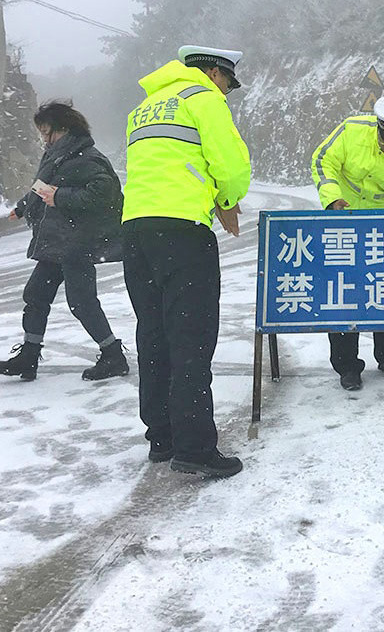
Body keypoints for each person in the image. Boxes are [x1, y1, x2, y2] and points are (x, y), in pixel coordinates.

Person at [121, 45, 251, 479]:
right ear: (215, 73)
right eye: (228, 84)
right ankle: (194, 448)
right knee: (190, 340)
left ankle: (162, 436)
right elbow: (231, 165)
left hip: (136, 231)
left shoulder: (145, 106)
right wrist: (227, 200)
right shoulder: (203, 99)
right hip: (182, 232)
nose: (227, 93)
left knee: (153, 334)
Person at [0, 100, 127, 382]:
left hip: (77, 243)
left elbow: (107, 194)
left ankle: (113, 355)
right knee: (36, 295)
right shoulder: (57, 156)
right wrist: (24, 206)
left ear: (64, 129)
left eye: (46, 132)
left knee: (81, 302)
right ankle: (29, 356)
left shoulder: (88, 158)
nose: (43, 138)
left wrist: (61, 197)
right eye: (41, 132)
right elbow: (42, 188)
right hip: (57, 242)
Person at [310, 95, 384, 391]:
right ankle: (347, 366)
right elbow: (322, 161)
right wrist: (331, 197)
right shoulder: (351, 131)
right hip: (342, 227)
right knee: (343, 294)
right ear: (378, 129)